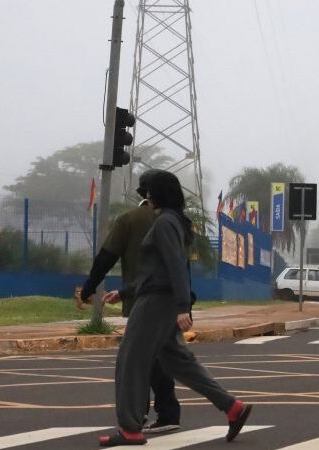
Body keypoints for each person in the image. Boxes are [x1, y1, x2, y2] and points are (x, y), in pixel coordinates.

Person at [98, 171, 252, 447]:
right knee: (178, 362)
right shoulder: (172, 221)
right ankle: (233, 408)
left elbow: (175, 267)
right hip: (161, 300)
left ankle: (130, 430)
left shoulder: (165, 223)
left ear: (156, 194)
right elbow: (156, 269)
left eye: (147, 191)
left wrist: (183, 306)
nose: (144, 197)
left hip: (156, 303)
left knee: (130, 361)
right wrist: (123, 292)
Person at [78, 169, 183, 434]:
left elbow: (105, 258)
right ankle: (219, 406)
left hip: (143, 301)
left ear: (144, 193)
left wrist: (88, 288)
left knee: (137, 360)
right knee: (168, 357)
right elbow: (180, 266)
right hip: (170, 301)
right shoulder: (177, 220)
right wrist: (185, 304)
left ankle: (140, 417)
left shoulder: (130, 219)